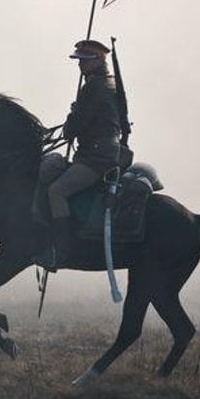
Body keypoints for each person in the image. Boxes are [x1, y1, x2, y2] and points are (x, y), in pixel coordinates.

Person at [44, 39, 122, 267]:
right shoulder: (109, 83)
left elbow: (73, 129)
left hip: (96, 158)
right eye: (79, 60)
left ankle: (62, 250)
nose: (80, 65)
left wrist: (73, 114)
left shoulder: (93, 87)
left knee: (56, 192)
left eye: (85, 61)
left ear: (98, 60)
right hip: (104, 152)